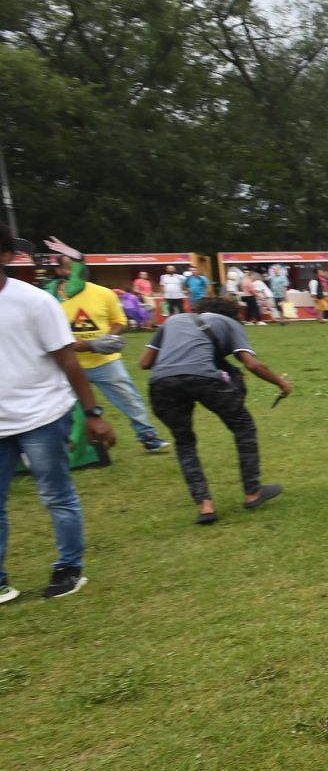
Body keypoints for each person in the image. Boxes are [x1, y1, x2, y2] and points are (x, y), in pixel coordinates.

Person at [0, 230, 117, 602]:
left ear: (5, 255)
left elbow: (68, 359)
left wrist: (93, 413)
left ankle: (70, 567)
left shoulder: (34, 302)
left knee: (56, 495)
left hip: (43, 415)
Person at [138, 295, 288, 523]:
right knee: (243, 427)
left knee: (184, 441)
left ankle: (205, 505)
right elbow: (251, 363)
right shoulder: (229, 323)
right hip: (204, 379)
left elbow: (144, 362)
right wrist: (281, 383)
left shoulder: (173, 320)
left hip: (161, 384)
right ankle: (252, 491)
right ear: (232, 314)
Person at [48, 255, 168, 453]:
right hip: (68, 364)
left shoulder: (103, 293)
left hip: (105, 361)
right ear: (59, 271)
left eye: (77, 268)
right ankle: (68, 446)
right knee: (62, 407)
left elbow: (119, 321)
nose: (73, 273)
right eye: (68, 269)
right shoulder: (50, 299)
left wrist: (99, 343)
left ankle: (148, 436)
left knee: (129, 397)